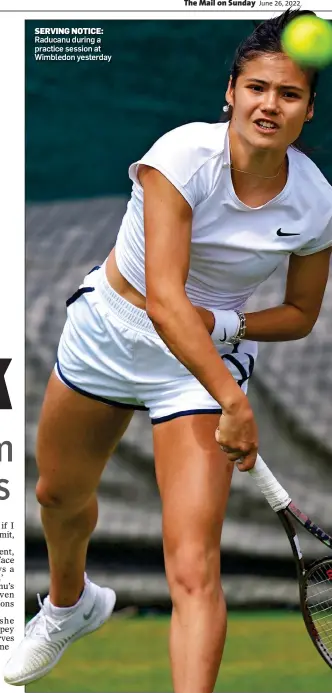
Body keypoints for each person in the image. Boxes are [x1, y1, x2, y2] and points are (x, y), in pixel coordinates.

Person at [5, 8, 332, 692]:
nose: (269, 104)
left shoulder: (314, 203)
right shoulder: (180, 156)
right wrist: (235, 398)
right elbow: (163, 296)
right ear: (231, 93)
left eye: (290, 94)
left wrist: (231, 330)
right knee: (58, 496)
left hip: (196, 371)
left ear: (308, 113)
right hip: (113, 329)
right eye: (256, 88)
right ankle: (70, 605)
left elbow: (300, 315)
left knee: (193, 565)